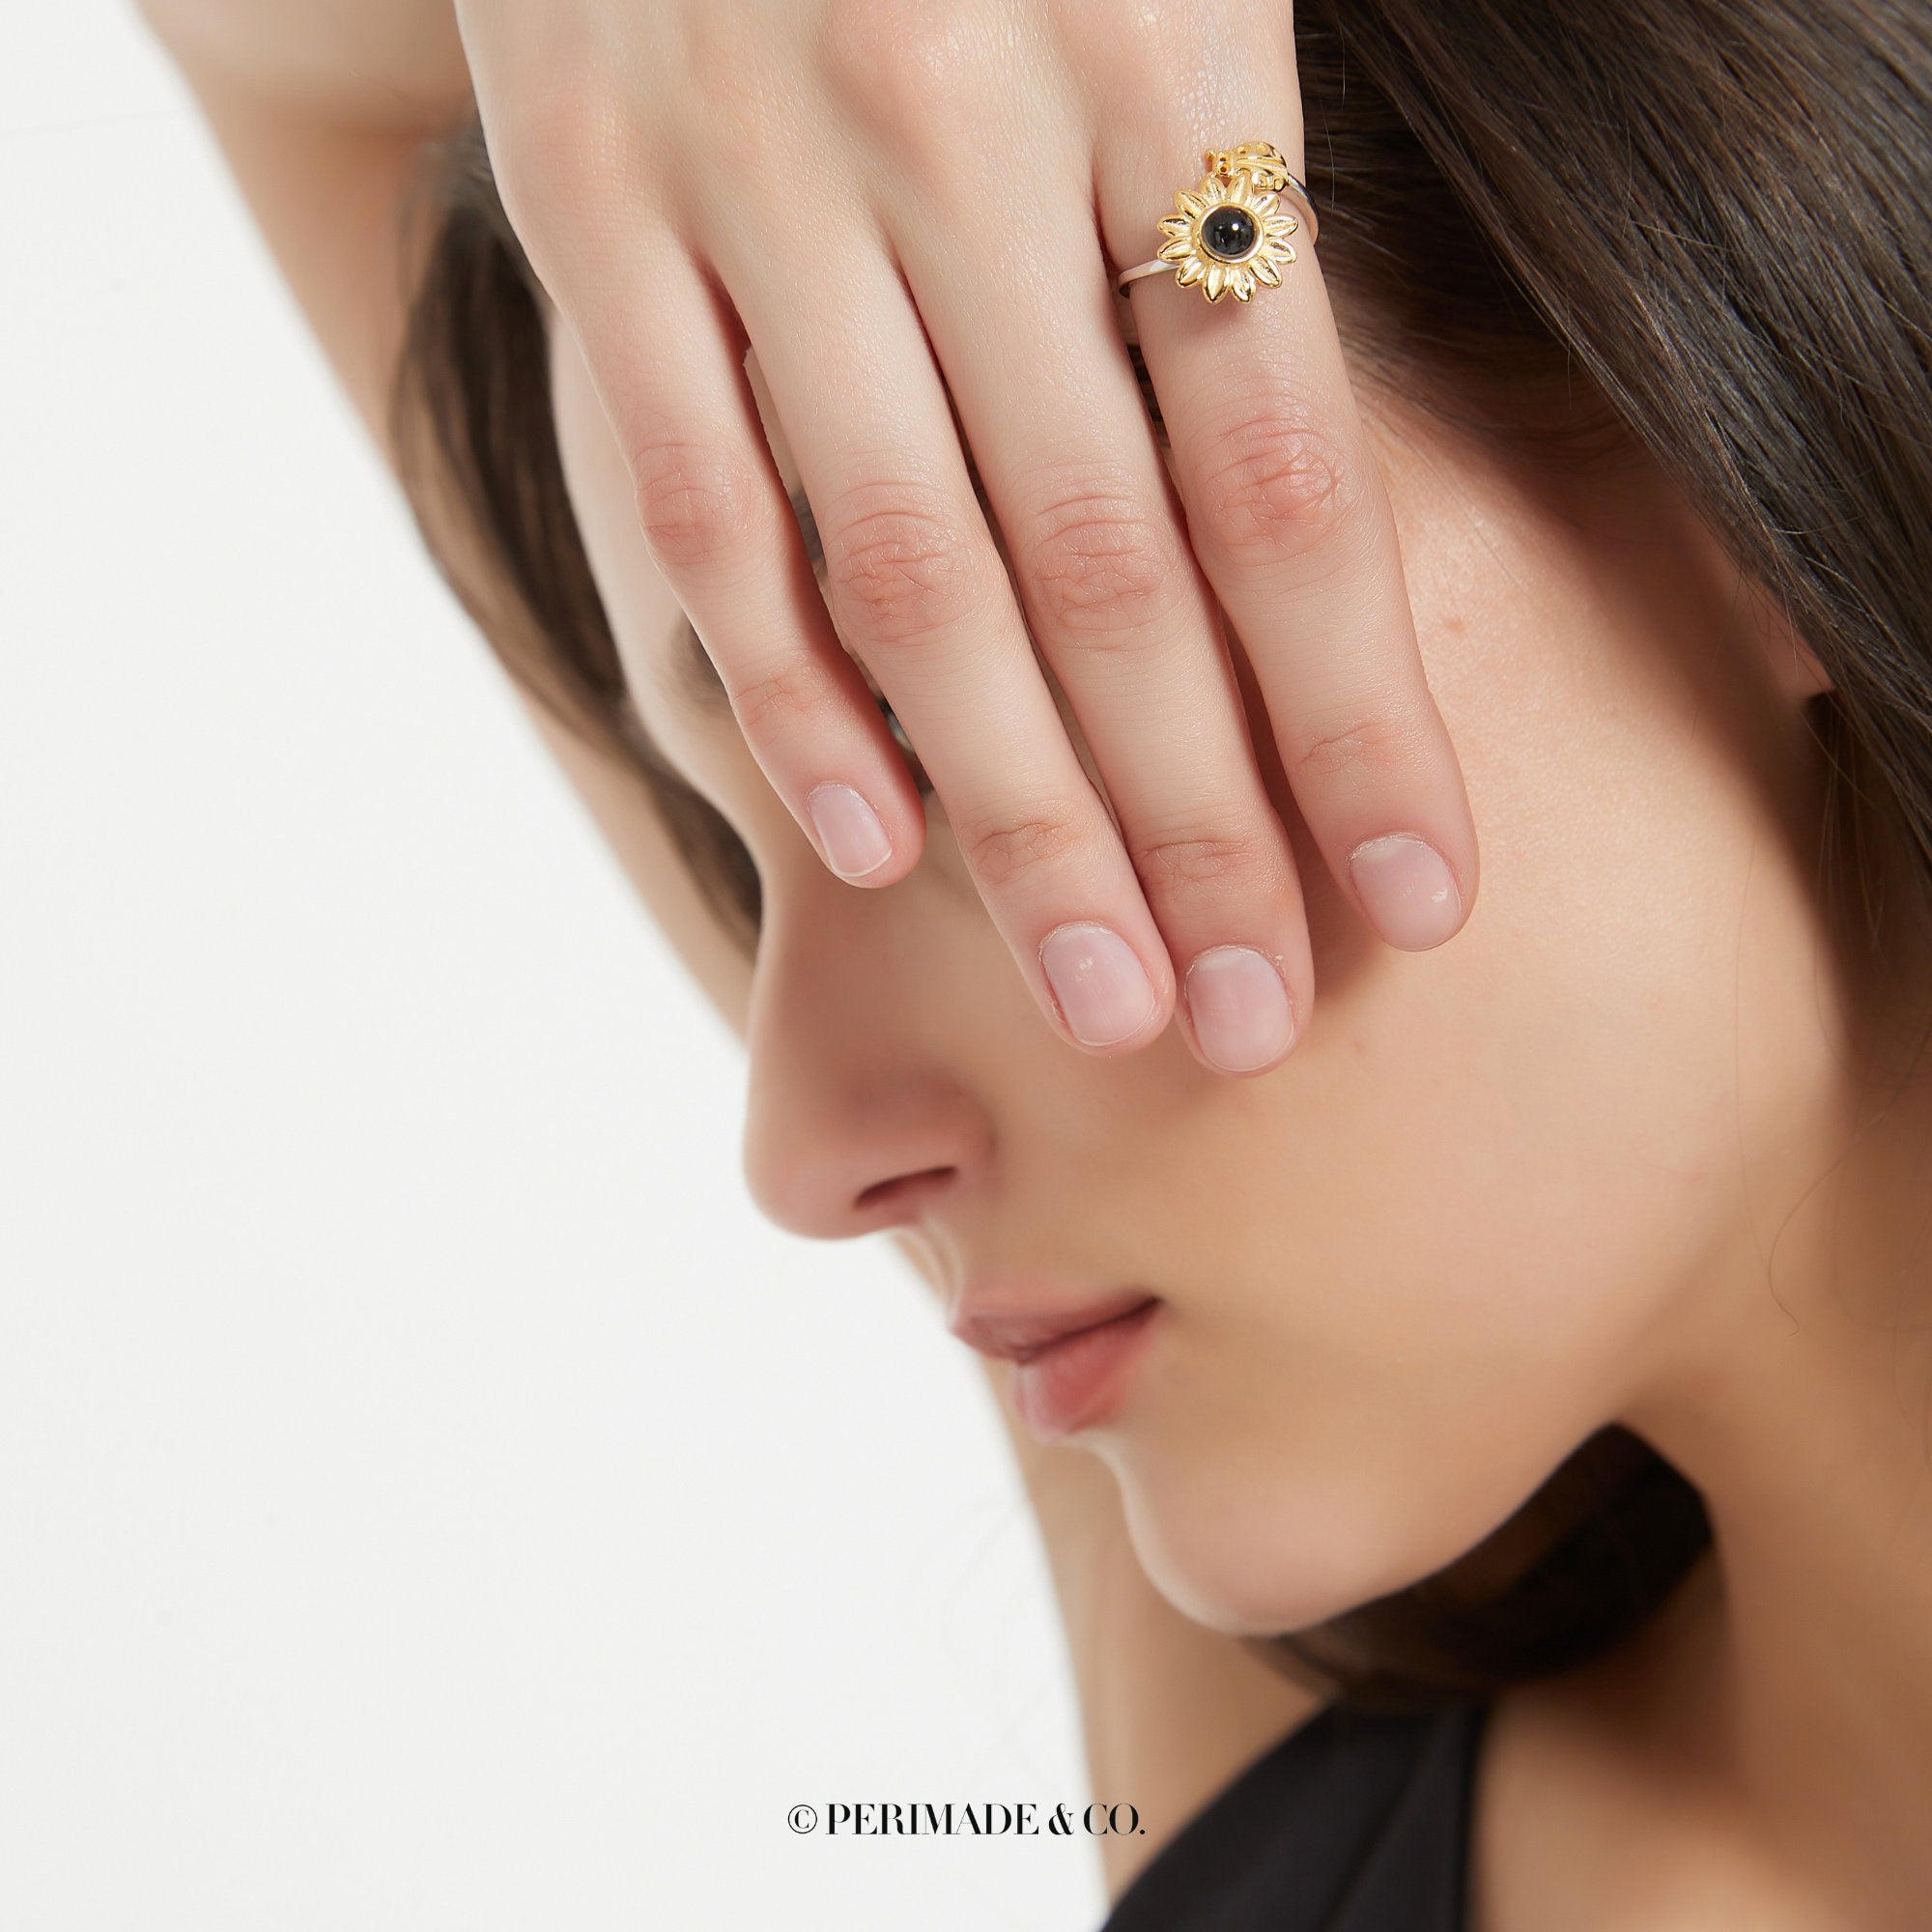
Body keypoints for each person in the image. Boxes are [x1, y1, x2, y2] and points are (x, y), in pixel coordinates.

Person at [139, 0, 1932, 1925]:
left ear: (1719, 423)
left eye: (928, 732)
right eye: (748, 852)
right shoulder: (1299, 1809)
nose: (800, 1154)